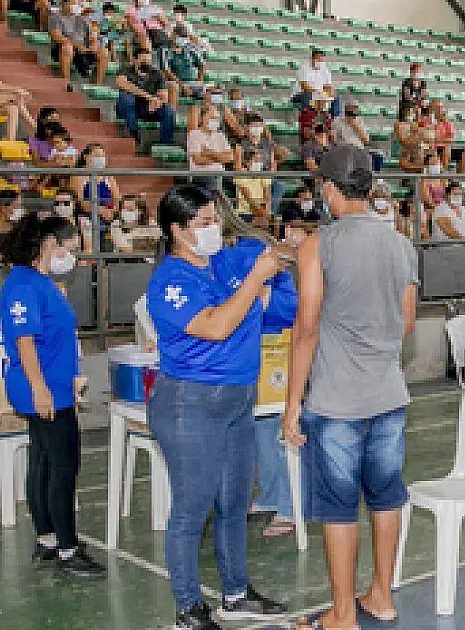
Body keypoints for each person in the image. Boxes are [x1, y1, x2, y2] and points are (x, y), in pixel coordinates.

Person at [281, 145, 418, 629]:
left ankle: (342, 615)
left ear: (330, 189)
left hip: (337, 400)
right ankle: (381, 596)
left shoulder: (318, 245)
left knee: (339, 507)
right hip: (389, 395)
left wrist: (291, 404)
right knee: (386, 496)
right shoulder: (400, 244)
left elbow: (306, 328)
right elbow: (406, 323)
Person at [146, 185, 288, 629]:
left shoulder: (222, 264)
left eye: (216, 220)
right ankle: (189, 608)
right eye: (204, 223)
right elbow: (216, 326)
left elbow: (275, 272)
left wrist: (283, 256)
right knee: (192, 509)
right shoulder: (169, 281)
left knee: (233, 502)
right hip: (190, 402)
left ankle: (236, 593)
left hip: (237, 400)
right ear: (178, 231)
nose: (214, 229)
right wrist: (255, 282)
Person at [0, 213, 105, 577]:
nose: (71, 257)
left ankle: (48, 538)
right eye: (68, 249)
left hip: (52, 384)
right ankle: (67, 549)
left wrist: (70, 377)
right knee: (62, 466)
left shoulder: (40, 282)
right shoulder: (25, 286)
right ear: (48, 244)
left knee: (43, 461)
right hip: (41, 387)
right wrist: (40, 389)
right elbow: (25, 343)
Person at [213, 197, 299, 538]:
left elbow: (287, 303)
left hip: (272, 346)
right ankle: (270, 495)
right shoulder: (202, 258)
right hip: (237, 350)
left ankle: (290, 506)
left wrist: (258, 303)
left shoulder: (254, 250)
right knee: (259, 430)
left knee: (278, 429)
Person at [115, 48, 176, 145]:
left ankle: (165, 144)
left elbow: (164, 95)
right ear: (135, 60)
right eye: (143, 61)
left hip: (147, 107)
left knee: (168, 110)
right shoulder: (126, 69)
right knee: (126, 96)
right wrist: (149, 97)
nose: (146, 64)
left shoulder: (157, 73)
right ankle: (134, 133)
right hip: (127, 108)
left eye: (148, 61)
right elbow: (122, 83)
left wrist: (157, 102)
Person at [49, 0, 109, 89]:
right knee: (67, 47)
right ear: (65, 3)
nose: (76, 5)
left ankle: (98, 85)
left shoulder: (82, 19)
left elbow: (92, 37)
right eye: (73, 3)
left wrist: (93, 44)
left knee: (104, 51)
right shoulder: (56, 17)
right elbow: (56, 36)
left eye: (76, 3)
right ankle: (66, 82)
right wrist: (76, 46)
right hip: (64, 49)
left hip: (82, 49)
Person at [186, 108, 232, 191]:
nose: (215, 121)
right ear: (202, 118)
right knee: (212, 184)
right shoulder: (194, 134)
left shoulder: (220, 135)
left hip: (220, 174)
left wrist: (210, 153)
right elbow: (198, 160)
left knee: (237, 181)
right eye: (212, 118)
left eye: (217, 118)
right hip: (202, 175)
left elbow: (229, 158)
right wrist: (220, 158)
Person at [160, 27, 206, 102]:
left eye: (184, 37)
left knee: (213, 92)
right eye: (180, 36)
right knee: (173, 87)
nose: (182, 39)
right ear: (173, 35)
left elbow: (202, 65)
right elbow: (166, 71)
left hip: (192, 83)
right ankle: (172, 110)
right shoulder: (165, 50)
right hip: (175, 83)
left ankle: (199, 109)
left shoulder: (190, 48)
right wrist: (183, 86)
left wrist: (199, 80)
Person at [73, 143, 119, 215]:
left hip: (109, 214)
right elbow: (81, 202)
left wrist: (111, 212)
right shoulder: (78, 176)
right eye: (97, 156)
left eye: (103, 156)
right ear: (86, 157)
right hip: (87, 215)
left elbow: (117, 200)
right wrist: (101, 211)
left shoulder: (108, 176)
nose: (101, 159)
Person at [293, 48, 338, 116]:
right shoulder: (304, 68)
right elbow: (304, 87)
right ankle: (307, 118)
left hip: (319, 93)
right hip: (301, 94)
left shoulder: (325, 69)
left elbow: (328, 86)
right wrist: (318, 92)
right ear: (312, 59)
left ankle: (331, 119)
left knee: (335, 98)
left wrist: (329, 93)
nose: (320, 62)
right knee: (308, 96)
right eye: (318, 59)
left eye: (321, 60)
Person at [430, 100, 465, 173]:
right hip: (432, 148)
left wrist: (440, 140)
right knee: (446, 150)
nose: (439, 110)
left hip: (444, 147)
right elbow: (429, 138)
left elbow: (451, 139)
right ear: (432, 109)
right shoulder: (428, 121)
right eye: (437, 108)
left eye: (440, 107)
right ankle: (444, 175)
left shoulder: (447, 122)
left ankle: (458, 177)